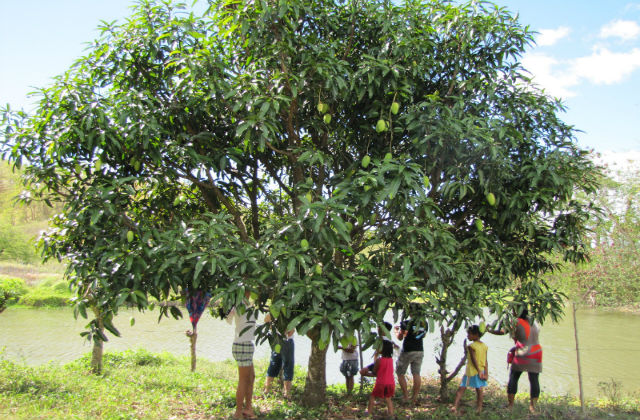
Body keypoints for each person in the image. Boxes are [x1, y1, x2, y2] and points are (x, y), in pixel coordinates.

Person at [489, 308, 543, 413]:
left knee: (513, 377)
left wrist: (489, 330)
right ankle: (532, 407)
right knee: (534, 379)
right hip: (536, 352)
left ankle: (510, 406)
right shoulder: (533, 320)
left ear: (516, 312)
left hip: (523, 353)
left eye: (513, 310)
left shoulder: (515, 321)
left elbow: (502, 332)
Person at [226, 291, 258, 419]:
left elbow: (227, 318)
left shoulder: (247, 305)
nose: (249, 292)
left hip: (245, 344)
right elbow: (227, 317)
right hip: (242, 344)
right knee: (244, 380)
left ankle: (248, 408)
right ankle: (238, 412)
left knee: (251, 376)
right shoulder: (238, 304)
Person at [361, 322, 395, 418]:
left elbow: (375, 372)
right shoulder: (391, 360)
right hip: (391, 383)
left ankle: (369, 412)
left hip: (381, 383)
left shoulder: (379, 360)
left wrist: (366, 374)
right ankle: (391, 414)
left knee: (372, 396)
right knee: (388, 399)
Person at [452, 325, 489, 415]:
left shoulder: (471, 346)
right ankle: (479, 408)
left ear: (476, 335)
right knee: (479, 389)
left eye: (469, 334)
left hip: (472, 371)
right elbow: (485, 361)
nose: (468, 336)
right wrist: (485, 372)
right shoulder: (484, 346)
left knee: (462, 388)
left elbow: (473, 359)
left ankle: (455, 406)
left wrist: (479, 372)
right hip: (481, 370)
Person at [395, 315, 427, 403]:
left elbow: (400, 337)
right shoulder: (424, 323)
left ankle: (406, 396)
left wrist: (396, 331)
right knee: (416, 373)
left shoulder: (406, 323)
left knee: (400, 373)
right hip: (419, 350)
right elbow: (423, 335)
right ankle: (414, 398)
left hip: (408, 350)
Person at [264, 326, 295, 398]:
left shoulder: (275, 315)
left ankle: (267, 390)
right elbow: (291, 332)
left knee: (274, 364)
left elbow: (267, 320)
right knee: (288, 366)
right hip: (287, 340)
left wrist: (275, 330)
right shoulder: (290, 315)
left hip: (276, 339)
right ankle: (287, 393)